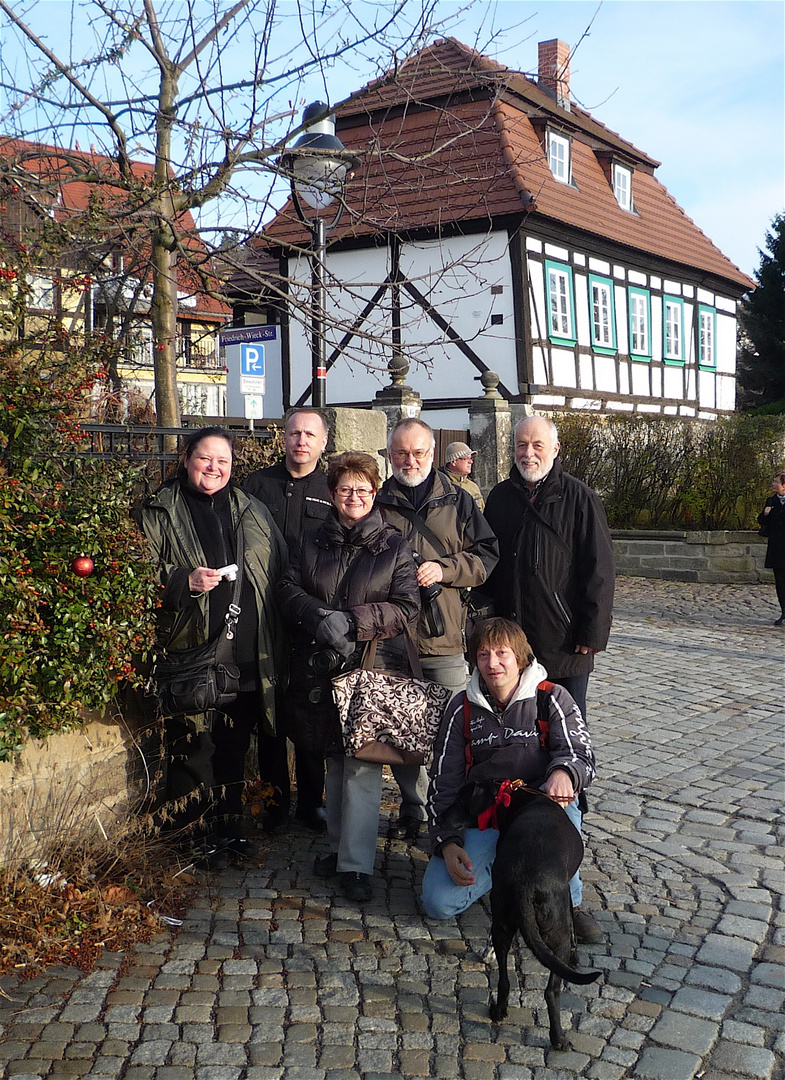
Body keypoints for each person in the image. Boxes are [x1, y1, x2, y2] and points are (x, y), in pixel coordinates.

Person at [138, 426, 288, 868]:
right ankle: (191, 836)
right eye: (205, 458)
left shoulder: (250, 509)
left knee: (233, 744)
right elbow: (138, 568)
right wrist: (181, 579)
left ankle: (230, 828)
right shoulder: (161, 510)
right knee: (191, 745)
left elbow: (277, 563)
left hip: (244, 649)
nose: (214, 469)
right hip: (191, 648)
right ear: (186, 458)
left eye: (223, 462)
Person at [277, 451, 420, 901]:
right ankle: (340, 849)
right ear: (332, 494)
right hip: (320, 665)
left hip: (369, 667)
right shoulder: (310, 539)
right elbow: (286, 588)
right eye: (344, 489)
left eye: (362, 489)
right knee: (333, 759)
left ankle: (356, 866)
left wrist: (354, 621)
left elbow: (406, 606)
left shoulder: (394, 545)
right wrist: (320, 616)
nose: (353, 496)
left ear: (374, 493)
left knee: (361, 764)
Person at [421, 617, 602, 944]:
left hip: (541, 809)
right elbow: (442, 780)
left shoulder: (552, 698)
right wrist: (447, 842)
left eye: (502, 653)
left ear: (520, 657)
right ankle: (507, 874)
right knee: (438, 903)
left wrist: (563, 772)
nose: (493, 663)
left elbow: (580, 753)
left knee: (569, 801)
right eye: (483, 654)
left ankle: (569, 903)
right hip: (488, 814)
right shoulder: (461, 707)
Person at [375, 418, 499, 841]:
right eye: (402, 453)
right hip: (392, 638)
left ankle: (447, 809)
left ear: (433, 452)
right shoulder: (377, 502)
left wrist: (444, 569)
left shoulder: (459, 501)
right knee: (403, 732)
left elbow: (486, 557)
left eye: (419, 452)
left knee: (452, 731)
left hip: (444, 636)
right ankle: (413, 807)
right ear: (390, 455)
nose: (411, 460)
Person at [482, 415, 614, 721]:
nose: (528, 453)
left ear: (554, 449)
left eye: (537, 445)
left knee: (566, 725)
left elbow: (600, 570)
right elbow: (488, 559)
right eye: (521, 445)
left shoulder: (581, 498)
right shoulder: (500, 497)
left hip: (564, 640)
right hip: (511, 641)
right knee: (517, 725)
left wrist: (592, 633)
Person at [243, 409, 333, 833]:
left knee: (311, 713)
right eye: (295, 432)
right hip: (263, 614)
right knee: (270, 715)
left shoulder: (332, 488)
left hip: (311, 617)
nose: (301, 440)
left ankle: (312, 801)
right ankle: (275, 800)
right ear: (283, 438)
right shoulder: (256, 485)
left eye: (310, 434)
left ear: (323, 442)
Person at [758, 471, 785, 626]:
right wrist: (766, 514)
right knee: (780, 582)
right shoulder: (771, 500)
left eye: (776, 482)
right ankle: (784, 611)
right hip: (776, 548)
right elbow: (761, 521)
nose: (773, 484)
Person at [439, 441, 485, 510]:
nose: (471, 462)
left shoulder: (473, 487)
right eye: (466, 458)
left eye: (471, 458)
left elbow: (481, 515)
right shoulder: (438, 485)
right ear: (453, 461)